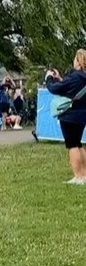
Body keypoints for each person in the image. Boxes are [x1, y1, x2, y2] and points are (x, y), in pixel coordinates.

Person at [46, 50, 86, 184]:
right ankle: (84, 174)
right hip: (82, 116)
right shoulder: (83, 79)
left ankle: (78, 176)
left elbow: (54, 88)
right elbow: (72, 90)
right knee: (79, 144)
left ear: (79, 62)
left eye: (75, 59)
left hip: (69, 116)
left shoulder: (75, 77)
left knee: (72, 145)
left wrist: (49, 78)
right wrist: (60, 78)